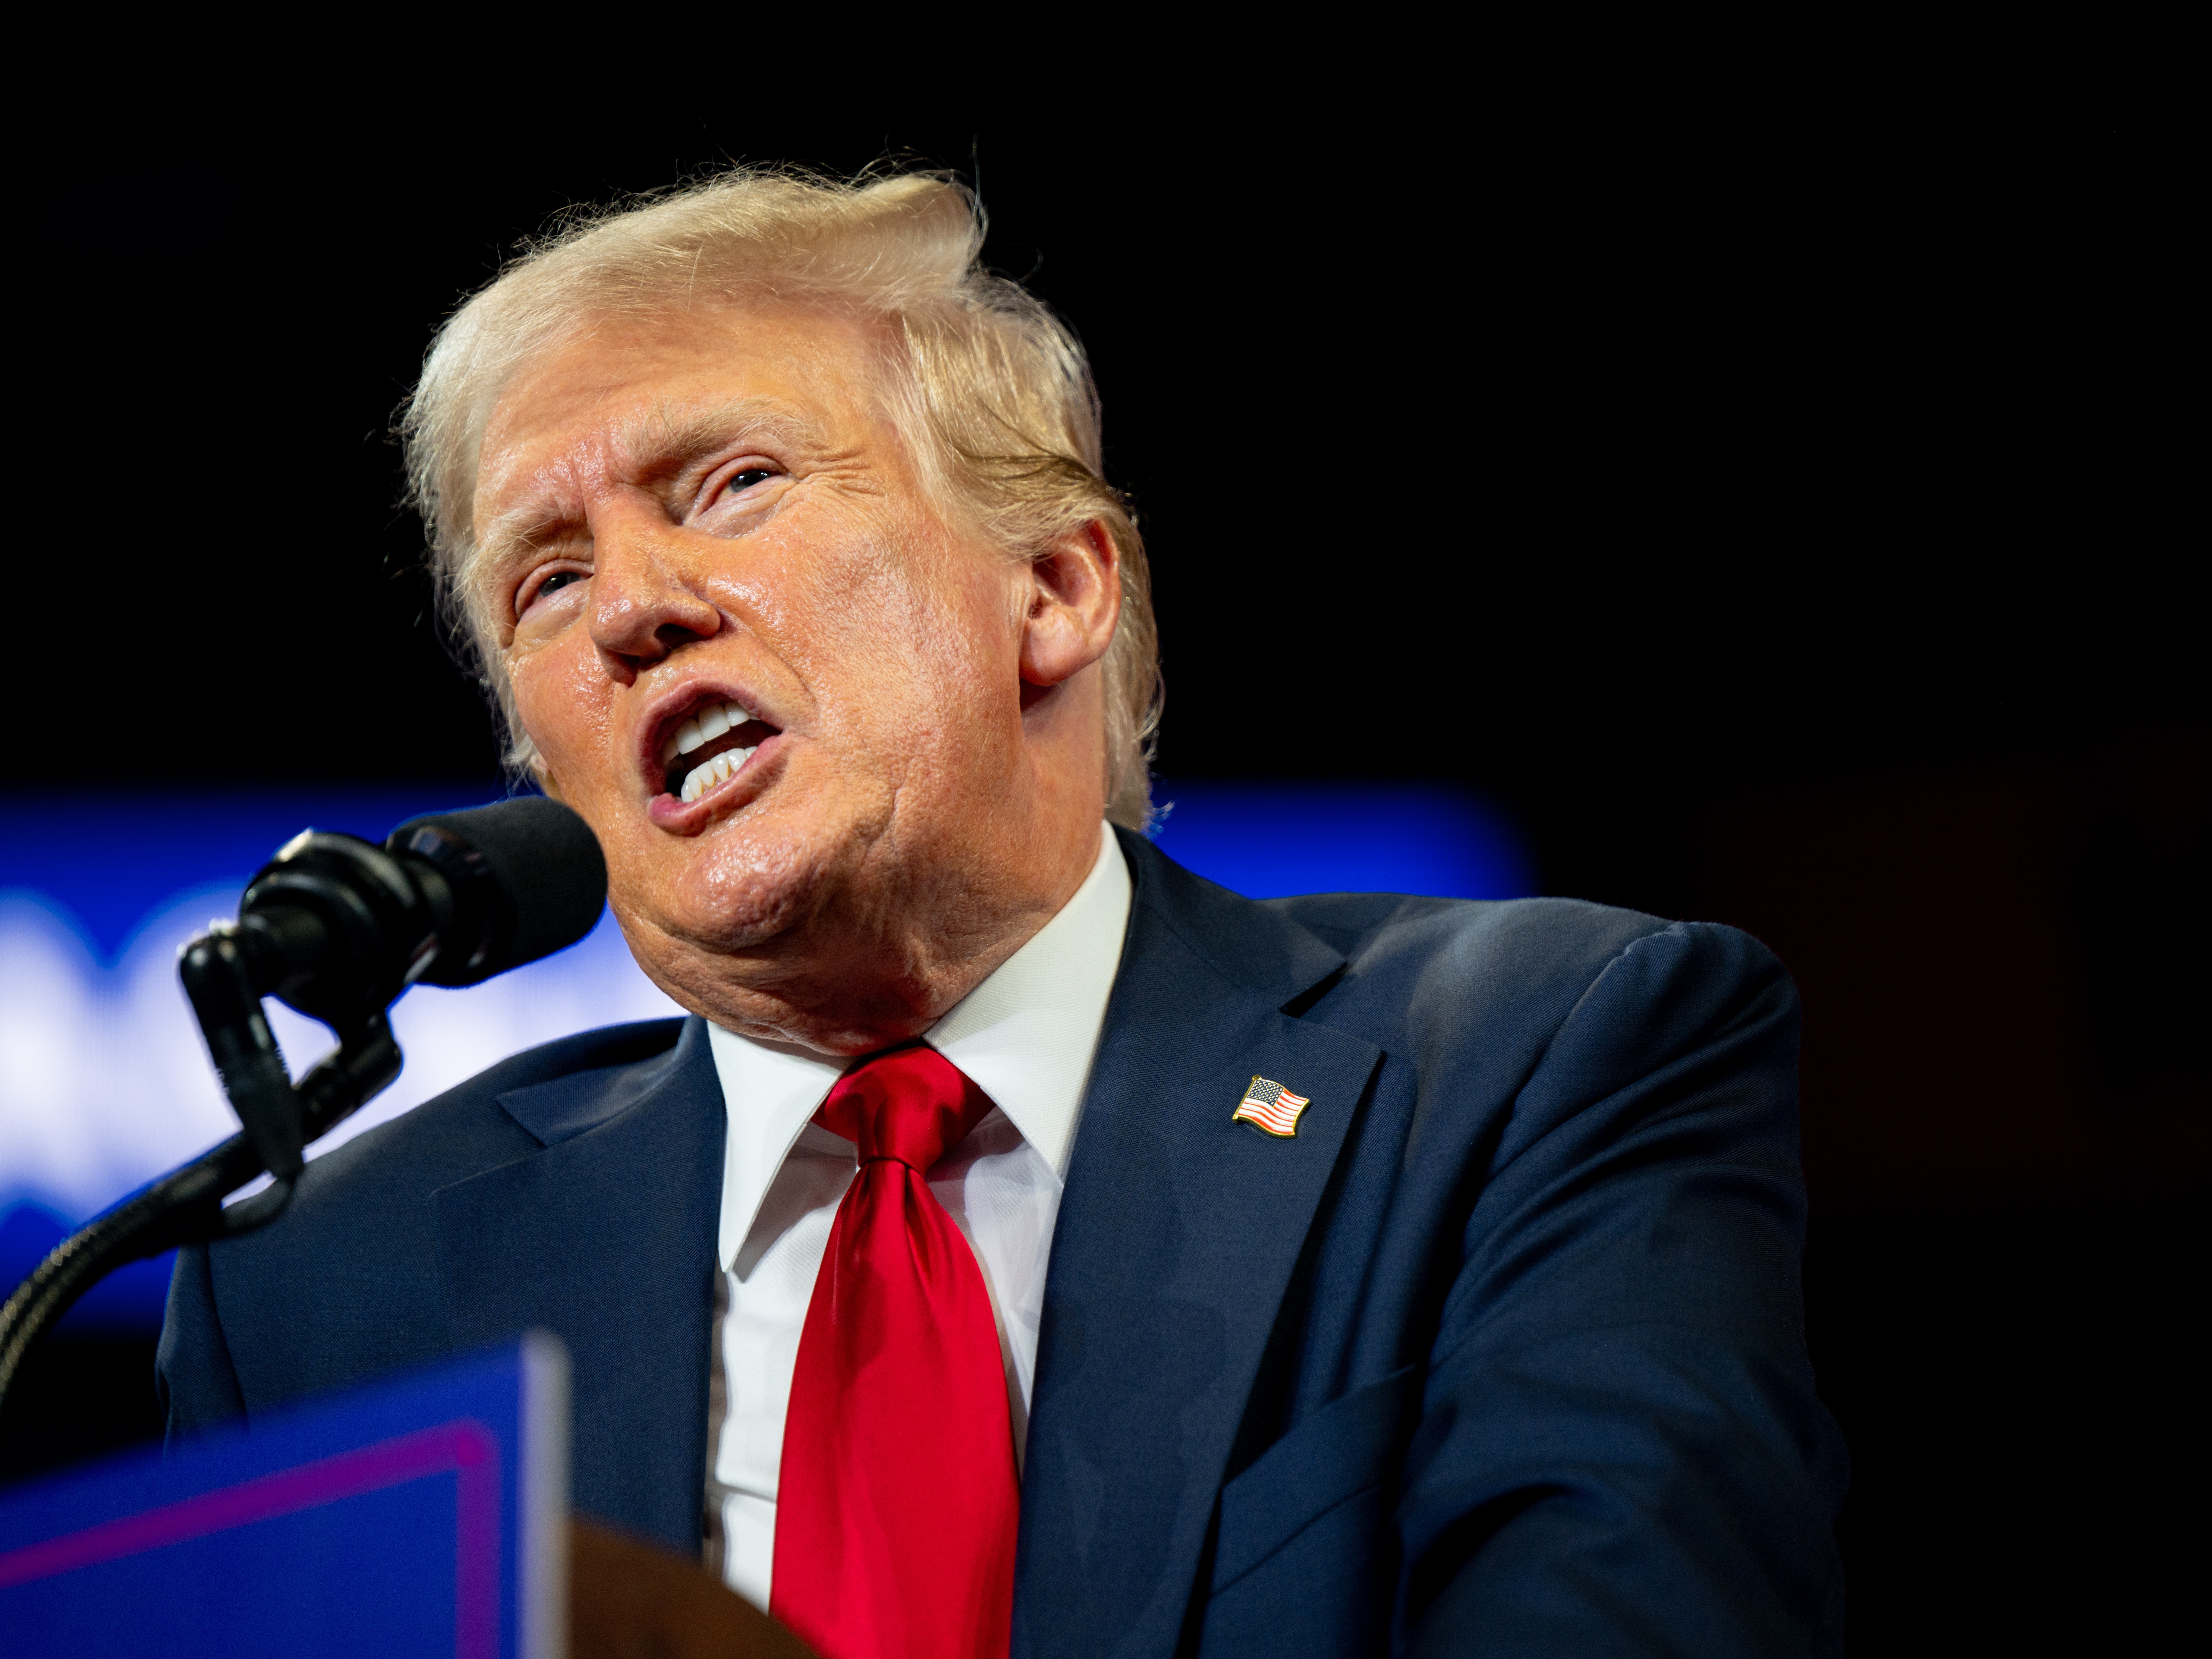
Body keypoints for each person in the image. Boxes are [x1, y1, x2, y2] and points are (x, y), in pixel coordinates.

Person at [158, 169, 1847, 1657]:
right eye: (544, 579)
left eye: (731, 485)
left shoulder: (1531, 1064)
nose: (632, 612)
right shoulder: (326, 1295)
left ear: (1054, 589)